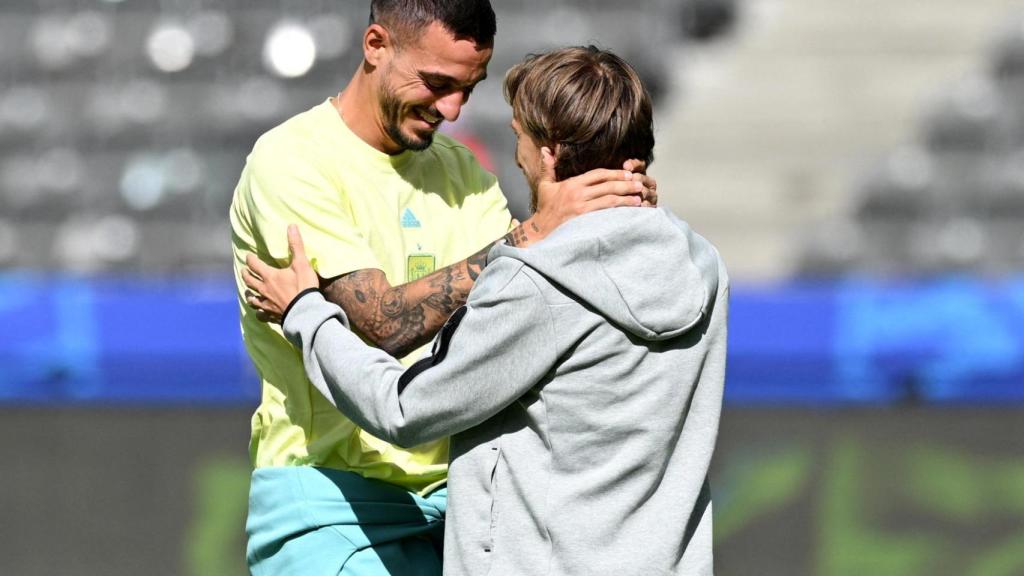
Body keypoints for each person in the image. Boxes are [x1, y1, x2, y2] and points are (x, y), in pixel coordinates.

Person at [244, 46, 729, 576]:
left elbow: (403, 409)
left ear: (549, 154)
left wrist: (305, 312)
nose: (516, 154)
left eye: (519, 135)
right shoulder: (704, 267)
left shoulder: (540, 284)